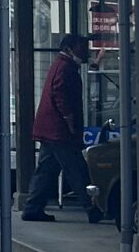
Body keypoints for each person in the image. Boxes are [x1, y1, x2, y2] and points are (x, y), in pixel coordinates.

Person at [20, 32, 92, 222]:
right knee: (77, 169)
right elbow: (60, 93)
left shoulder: (59, 64)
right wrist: (69, 119)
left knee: (45, 170)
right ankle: (93, 206)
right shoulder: (66, 68)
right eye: (81, 47)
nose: (85, 51)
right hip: (59, 131)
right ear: (69, 48)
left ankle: (32, 208)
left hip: (49, 129)